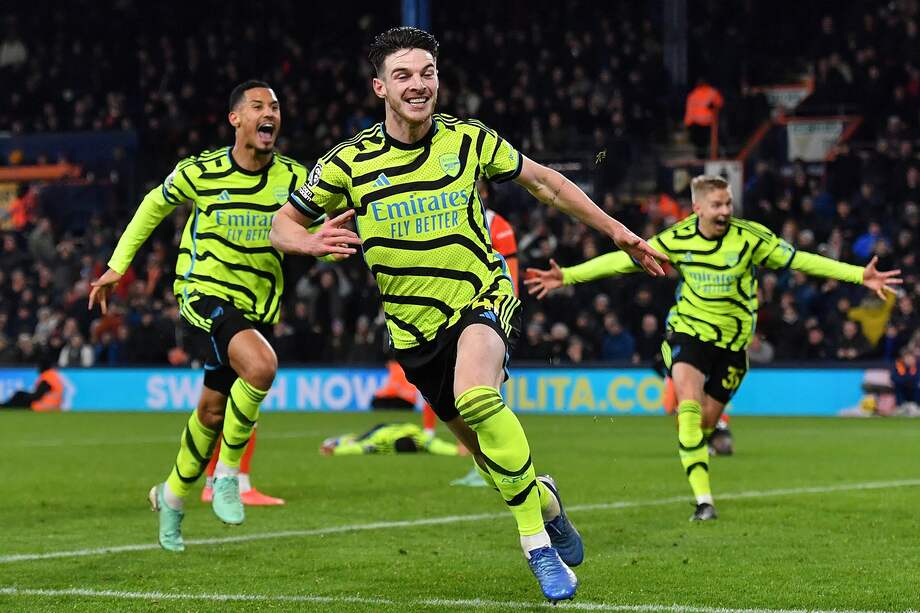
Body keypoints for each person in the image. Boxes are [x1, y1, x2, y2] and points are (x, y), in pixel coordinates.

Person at [269, 27, 666, 602]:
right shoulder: (348, 161)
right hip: (412, 330)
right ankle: (546, 500)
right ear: (379, 86)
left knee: (479, 397)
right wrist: (304, 243)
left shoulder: (468, 139)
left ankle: (535, 545)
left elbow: (547, 184)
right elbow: (281, 224)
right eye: (403, 75)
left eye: (426, 73)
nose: (418, 85)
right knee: (485, 457)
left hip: (481, 296)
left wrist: (619, 233)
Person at [525, 175, 902, 521]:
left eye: (728, 204)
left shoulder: (751, 238)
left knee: (704, 422)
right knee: (688, 405)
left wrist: (857, 275)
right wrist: (569, 275)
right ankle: (704, 502)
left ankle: (706, 443)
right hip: (688, 332)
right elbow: (626, 259)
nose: (724, 211)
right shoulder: (678, 239)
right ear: (698, 208)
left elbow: (800, 260)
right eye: (717, 205)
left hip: (734, 346)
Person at [89, 80, 355, 552]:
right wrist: (116, 266)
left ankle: (171, 495)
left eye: (275, 106)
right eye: (257, 106)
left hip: (255, 306)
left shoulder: (295, 180)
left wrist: (327, 248)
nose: (268, 113)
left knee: (212, 411)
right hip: (202, 293)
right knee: (262, 365)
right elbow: (154, 204)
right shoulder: (202, 171)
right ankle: (227, 476)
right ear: (236, 118)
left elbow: (310, 237)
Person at [320, 422, 465, 456]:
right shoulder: (380, 441)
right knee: (356, 441)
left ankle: (338, 443)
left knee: (359, 443)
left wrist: (456, 450)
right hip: (381, 429)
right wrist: (336, 450)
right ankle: (339, 441)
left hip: (397, 426)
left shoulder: (417, 438)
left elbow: (434, 444)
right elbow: (358, 447)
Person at [684, 78, 724, 159]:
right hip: (699, 122)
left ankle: (714, 156)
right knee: (701, 143)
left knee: (712, 142)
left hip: (709, 122)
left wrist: (688, 122)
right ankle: (703, 157)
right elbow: (690, 109)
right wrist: (688, 122)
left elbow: (719, 103)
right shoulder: (694, 94)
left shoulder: (711, 92)